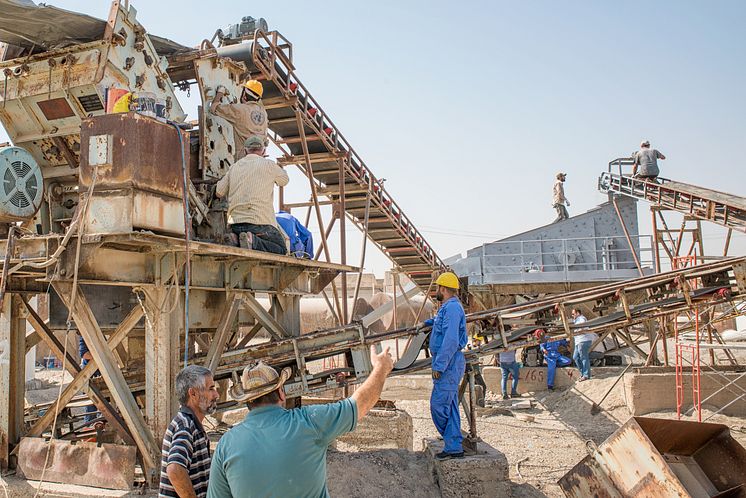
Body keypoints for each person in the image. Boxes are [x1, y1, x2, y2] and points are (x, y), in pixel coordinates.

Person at [206, 346, 394, 498]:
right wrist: (381, 368)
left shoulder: (226, 445)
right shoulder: (309, 422)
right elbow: (359, 404)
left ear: (247, 401)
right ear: (281, 392)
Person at [421, 271, 467, 460]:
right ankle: (454, 446)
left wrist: (439, 366)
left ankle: (452, 441)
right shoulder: (447, 307)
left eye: (438, 288)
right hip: (447, 362)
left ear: (443, 288)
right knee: (450, 405)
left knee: (438, 406)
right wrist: (428, 323)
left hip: (448, 364)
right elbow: (442, 324)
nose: (436, 291)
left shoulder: (453, 308)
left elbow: (450, 339)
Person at [215, 135, 289, 254]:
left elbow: (218, 192)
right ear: (263, 151)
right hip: (260, 225)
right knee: (281, 249)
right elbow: (284, 181)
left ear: (245, 150)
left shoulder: (234, 167)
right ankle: (253, 240)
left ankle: (234, 239)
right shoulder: (269, 165)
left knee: (239, 235)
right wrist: (280, 170)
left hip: (235, 225)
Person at [159, 365, 220, 498]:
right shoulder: (185, 427)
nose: (216, 395)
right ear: (193, 393)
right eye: (211, 389)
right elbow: (175, 469)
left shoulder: (190, 424)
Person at [209, 80, 268, 161]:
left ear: (244, 94)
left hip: (243, 161)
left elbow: (213, 108)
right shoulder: (264, 113)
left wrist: (220, 92)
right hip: (260, 161)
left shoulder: (239, 110)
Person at [571, 308, 597, 381]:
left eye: (573, 314)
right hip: (578, 341)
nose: (572, 315)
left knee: (583, 357)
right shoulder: (576, 320)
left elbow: (583, 325)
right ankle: (583, 373)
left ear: (578, 313)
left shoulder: (581, 318)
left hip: (583, 340)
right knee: (575, 357)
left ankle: (586, 375)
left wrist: (579, 330)